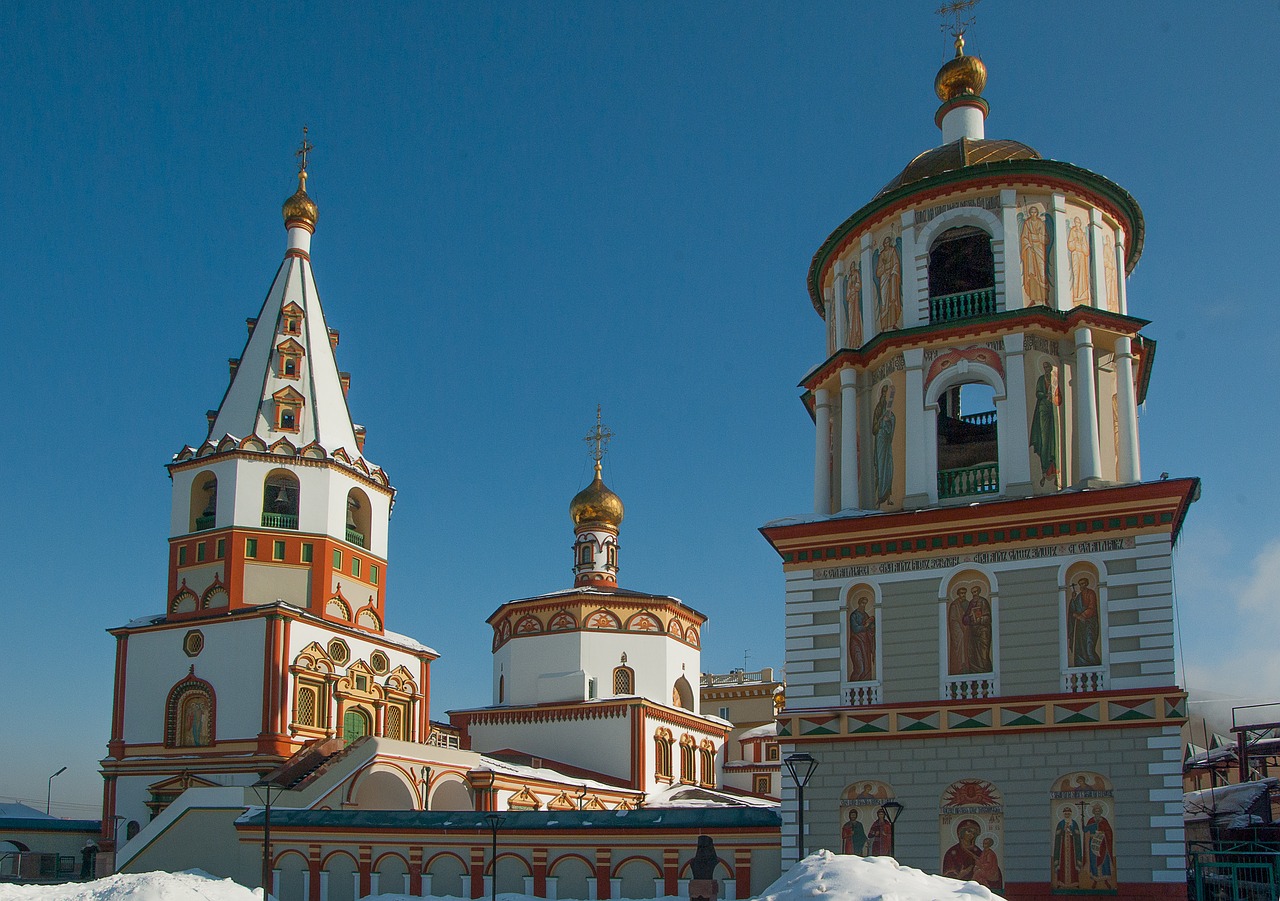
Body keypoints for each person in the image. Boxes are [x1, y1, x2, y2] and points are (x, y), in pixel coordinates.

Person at [1029, 361, 1061, 487]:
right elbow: (1038, 393)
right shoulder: (1041, 379)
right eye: (1045, 367)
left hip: (1053, 408)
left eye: (1048, 367)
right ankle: (1044, 472)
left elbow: (1059, 395)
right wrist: (1045, 395)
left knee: (1054, 440)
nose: (1046, 369)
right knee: (1044, 439)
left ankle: (1056, 473)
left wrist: (1055, 396)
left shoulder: (1054, 379)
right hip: (1043, 409)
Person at [1068, 577, 1102, 667]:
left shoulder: (1091, 593)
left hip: (1090, 624)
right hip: (1080, 626)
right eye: (1080, 584)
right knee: (1080, 648)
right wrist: (1073, 599)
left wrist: (1082, 615)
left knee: (1089, 647)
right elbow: (1073, 609)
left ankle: (1094, 664)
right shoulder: (1078, 596)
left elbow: (1092, 607)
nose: (1081, 586)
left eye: (1083, 584)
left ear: (1086, 584)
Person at [871, 384, 895, 505]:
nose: (884, 397)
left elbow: (891, 417)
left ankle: (888, 496)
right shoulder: (878, 410)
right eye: (883, 394)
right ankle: (880, 496)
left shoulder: (887, 410)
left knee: (889, 466)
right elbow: (874, 428)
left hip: (886, 440)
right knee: (881, 467)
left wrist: (890, 420)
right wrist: (881, 421)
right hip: (880, 439)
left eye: (885, 394)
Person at [1020, 206, 1049, 304]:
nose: (1033, 214)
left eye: (1035, 212)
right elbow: (1024, 237)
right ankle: (1033, 297)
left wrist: (1036, 236)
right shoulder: (1027, 224)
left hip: (1039, 249)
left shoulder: (1040, 223)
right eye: (1031, 212)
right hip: (1031, 251)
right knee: (1031, 273)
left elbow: (1046, 239)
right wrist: (1028, 244)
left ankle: (1044, 298)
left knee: (1041, 272)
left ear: (1037, 213)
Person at [1084, 803, 1115, 888]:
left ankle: (1106, 880)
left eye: (1098, 810)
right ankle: (1095, 880)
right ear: (1094, 812)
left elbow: (1109, 832)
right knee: (1094, 862)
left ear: (1100, 811)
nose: (1097, 812)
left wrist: (1103, 834)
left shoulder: (1104, 821)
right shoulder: (1091, 821)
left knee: (1105, 862)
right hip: (1093, 845)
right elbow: (1085, 830)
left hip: (1103, 845)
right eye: (1096, 810)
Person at [875, 236, 902, 332]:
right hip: (884, 279)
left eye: (887, 242)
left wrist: (893, 272)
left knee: (892, 299)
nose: (886, 244)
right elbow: (878, 271)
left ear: (890, 243)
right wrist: (885, 266)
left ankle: (893, 323)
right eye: (884, 243)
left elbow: (896, 264)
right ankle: (883, 326)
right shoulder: (881, 255)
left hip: (892, 277)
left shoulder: (893, 251)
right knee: (884, 302)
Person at [1052, 806, 1082, 888]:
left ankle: (1074, 883)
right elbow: (1057, 836)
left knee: (1073, 863)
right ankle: (1061, 882)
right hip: (1062, 848)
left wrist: (1071, 832)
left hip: (1072, 848)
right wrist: (1063, 830)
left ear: (1071, 813)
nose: (1067, 814)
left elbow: (1078, 836)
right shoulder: (1060, 823)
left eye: (1068, 813)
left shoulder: (1074, 823)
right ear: (1063, 814)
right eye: (1065, 813)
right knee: (1062, 863)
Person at [848, 597, 876, 682]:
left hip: (865, 643)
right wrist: (866, 626)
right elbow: (855, 628)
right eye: (862, 603)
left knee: (867, 668)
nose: (863, 605)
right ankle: (854, 689)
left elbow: (870, 629)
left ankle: (866, 691)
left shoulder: (865, 615)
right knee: (860, 667)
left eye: (865, 603)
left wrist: (872, 626)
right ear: (859, 603)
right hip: (856, 642)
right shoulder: (854, 615)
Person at [964, 587, 992, 673]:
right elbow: (966, 617)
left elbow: (988, 617)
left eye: (975, 592)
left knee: (983, 654)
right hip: (973, 631)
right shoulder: (971, 603)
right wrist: (969, 618)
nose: (974, 594)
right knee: (973, 654)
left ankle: (985, 671)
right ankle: (974, 673)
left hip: (983, 631)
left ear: (979, 592)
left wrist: (979, 619)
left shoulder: (983, 602)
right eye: (972, 592)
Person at [947, 587, 970, 675]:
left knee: (967, 645)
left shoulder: (967, 603)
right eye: (961, 593)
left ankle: (966, 665)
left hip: (966, 628)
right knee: (960, 644)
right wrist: (961, 626)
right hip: (958, 630)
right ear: (958, 594)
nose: (963, 595)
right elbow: (953, 619)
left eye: (964, 593)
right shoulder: (954, 605)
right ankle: (960, 665)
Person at [1068, 216, 1090, 305]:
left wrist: (1082, 246)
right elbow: (1070, 244)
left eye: (1079, 223)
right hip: (1075, 255)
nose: (1077, 224)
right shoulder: (1072, 232)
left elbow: (1086, 250)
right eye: (1076, 222)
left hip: (1081, 255)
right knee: (1076, 273)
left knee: (1082, 275)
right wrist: (1075, 243)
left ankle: (1082, 294)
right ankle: (1076, 295)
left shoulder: (1083, 234)